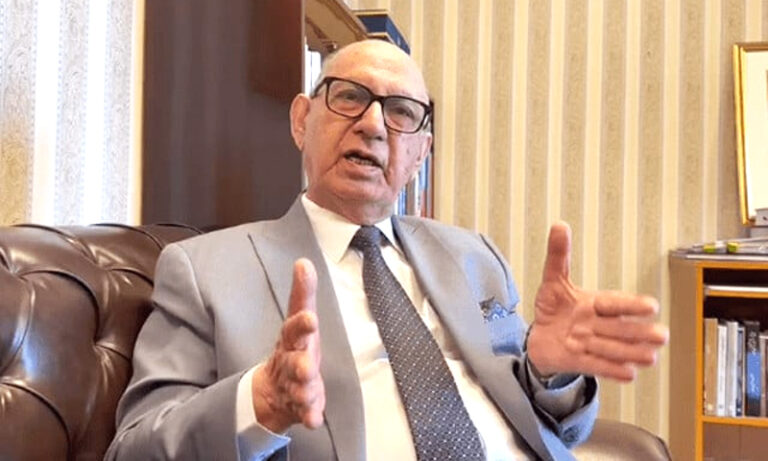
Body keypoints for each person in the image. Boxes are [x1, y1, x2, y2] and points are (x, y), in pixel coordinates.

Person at [106, 39, 668, 461]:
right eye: (350, 97)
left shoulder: (473, 256)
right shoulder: (205, 269)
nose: (374, 125)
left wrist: (551, 373)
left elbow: (562, 429)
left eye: (401, 112)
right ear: (302, 121)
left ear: (419, 153)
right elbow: (134, 448)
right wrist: (259, 402)